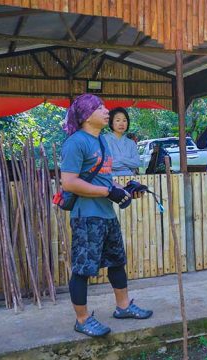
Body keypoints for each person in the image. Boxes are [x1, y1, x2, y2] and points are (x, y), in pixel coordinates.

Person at [58, 93, 153, 337]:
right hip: (86, 216)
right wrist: (107, 191)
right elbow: (68, 183)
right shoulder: (75, 142)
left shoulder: (102, 141)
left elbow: (105, 180)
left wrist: (125, 190)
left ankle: (123, 307)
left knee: (117, 262)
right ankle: (82, 319)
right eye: (100, 107)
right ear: (86, 115)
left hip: (107, 215)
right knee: (82, 268)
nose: (106, 110)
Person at [102, 108, 141, 176]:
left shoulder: (131, 143)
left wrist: (121, 159)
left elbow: (137, 163)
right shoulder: (104, 139)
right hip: (110, 181)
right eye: (118, 120)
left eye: (124, 120)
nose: (121, 124)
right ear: (111, 123)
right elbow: (107, 163)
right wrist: (128, 166)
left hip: (130, 181)